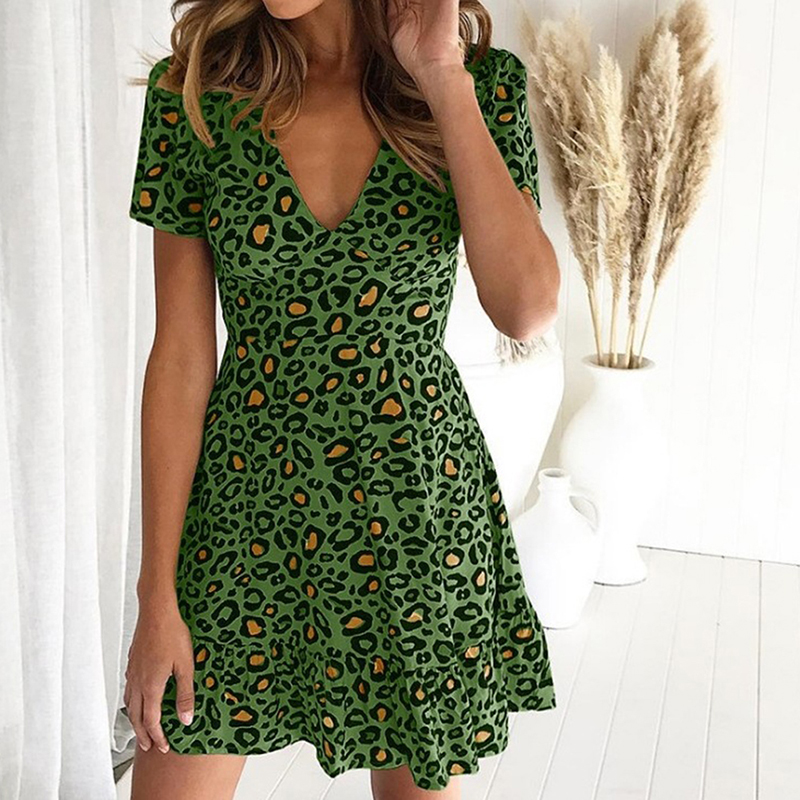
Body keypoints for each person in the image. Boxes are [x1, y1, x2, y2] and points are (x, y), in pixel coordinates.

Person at [124, 0, 560, 797]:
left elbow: (526, 307)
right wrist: (158, 592)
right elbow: (181, 357)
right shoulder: (194, 94)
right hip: (246, 512)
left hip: (416, 512)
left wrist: (441, 76)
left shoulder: (477, 85)